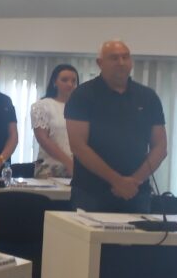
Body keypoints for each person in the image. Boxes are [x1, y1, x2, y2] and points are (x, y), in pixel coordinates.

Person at [66, 41, 167, 213]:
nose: (121, 62)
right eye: (114, 58)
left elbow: (160, 147)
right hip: (91, 192)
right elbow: (78, 146)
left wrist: (133, 181)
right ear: (100, 63)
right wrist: (117, 181)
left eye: (125, 57)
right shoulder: (83, 95)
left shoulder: (148, 97)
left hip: (137, 192)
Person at [31, 64, 79, 178]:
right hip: (49, 169)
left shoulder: (81, 108)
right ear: (54, 82)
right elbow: (43, 139)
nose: (70, 84)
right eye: (64, 80)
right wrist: (69, 163)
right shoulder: (42, 106)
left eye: (73, 81)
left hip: (78, 168)